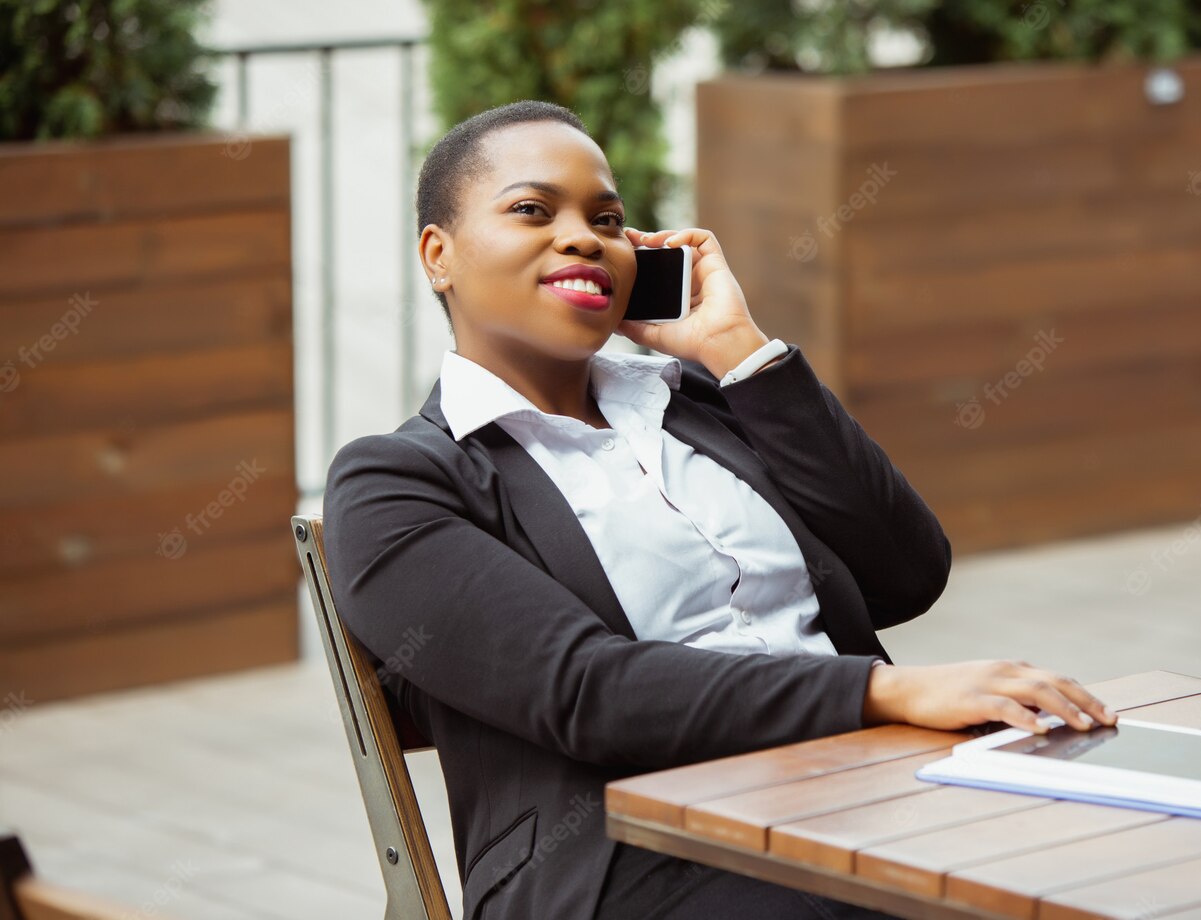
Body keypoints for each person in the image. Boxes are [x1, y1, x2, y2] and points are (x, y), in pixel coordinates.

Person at [323, 100, 1117, 920]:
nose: (583, 237)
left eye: (608, 220)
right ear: (438, 254)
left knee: (1108, 849)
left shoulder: (704, 401)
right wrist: (884, 693)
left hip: (861, 793)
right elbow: (587, 692)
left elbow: (908, 572)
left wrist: (741, 352)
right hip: (630, 861)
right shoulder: (395, 484)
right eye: (532, 209)